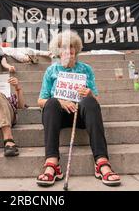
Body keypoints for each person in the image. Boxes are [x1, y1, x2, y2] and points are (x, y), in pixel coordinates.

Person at [36, 30, 121, 188]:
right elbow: (40, 101)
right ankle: (52, 163)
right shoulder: (51, 71)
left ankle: (102, 162)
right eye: (63, 47)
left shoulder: (86, 69)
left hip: (81, 116)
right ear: (58, 51)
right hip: (57, 116)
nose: (68, 50)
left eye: (71, 47)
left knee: (89, 101)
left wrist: (89, 93)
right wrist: (60, 101)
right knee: (51, 102)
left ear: (76, 50)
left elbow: (96, 101)